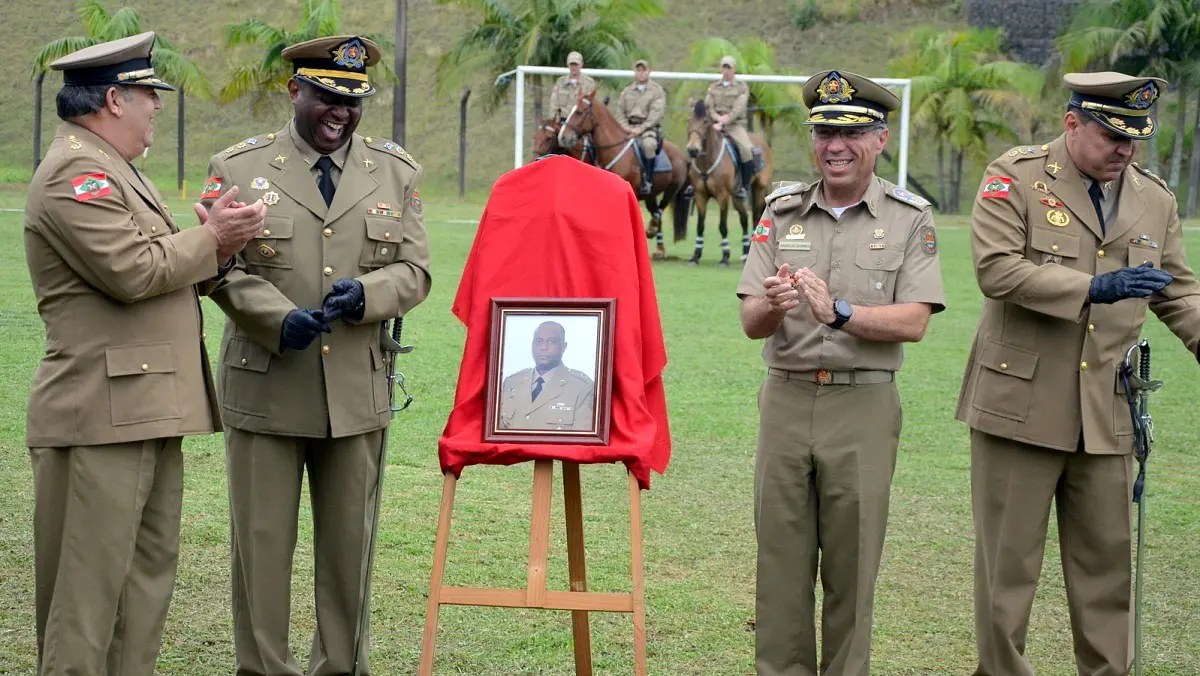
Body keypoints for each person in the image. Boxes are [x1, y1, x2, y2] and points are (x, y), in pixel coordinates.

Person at [23, 32, 265, 675]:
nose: (157, 106)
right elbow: (132, 271)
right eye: (147, 94)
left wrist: (216, 242)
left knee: (143, 585)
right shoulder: (78, 172)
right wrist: (210, 237)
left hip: (145, 405)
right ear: (112, 99)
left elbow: (166, 271)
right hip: (100, 415)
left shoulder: (114, 170)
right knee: (87, 598)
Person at [201, 35, 432, 675]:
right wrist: (277, 317)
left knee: (348, 552)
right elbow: (216, 266)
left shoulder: (394, 171)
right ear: (295, 90)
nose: (341, 113)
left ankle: (339, 668)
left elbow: (416, 270)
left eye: (353, 102)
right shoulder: (239, 167)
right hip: (268, 386)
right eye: (328, 97)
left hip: (357, 392)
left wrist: (370, 293)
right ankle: (264, 669)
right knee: (262, 549)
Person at [958, 72, 1200, 676]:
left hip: (1108, 409)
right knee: (1007, 574)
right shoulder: (1015, 176)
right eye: (1112, 136)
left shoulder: (1154, 198)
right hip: (1021, 405)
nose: (1126, 151)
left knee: (1106, 571)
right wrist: (1094, 287)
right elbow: (997, 270)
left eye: (1136, 139)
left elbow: (1178, 291)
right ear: (1072, 124)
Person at [736, 69, 946, 675]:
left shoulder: (909, 218)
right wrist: (771, 306)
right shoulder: (780, 212)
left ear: (880, 140)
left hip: (863, 407)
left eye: (851, 133)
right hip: (785, 398)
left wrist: (841, 312)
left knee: (853, 568)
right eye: (825, 130)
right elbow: (751, 320)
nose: (835, 144)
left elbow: (915, 320)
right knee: (780, 562)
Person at [499, 321, 595, 430]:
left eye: (551, 341)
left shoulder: (581, 388)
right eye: (539, 341)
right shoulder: (511, 383)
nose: (543, 347)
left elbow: (582, 441)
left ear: (564, 346)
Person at [705, 55, 759, 200]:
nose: (726, 70)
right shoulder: (713, 87)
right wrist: (717, 119)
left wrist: (725, 121)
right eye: (724, 67)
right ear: (721, 69)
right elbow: (709, 107)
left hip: (734, 125)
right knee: (697, 144)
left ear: (734, 69)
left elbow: (739, 108)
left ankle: (744, 185)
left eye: (729, 67)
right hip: (715, 125)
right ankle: (692, 182)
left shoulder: (741, 88)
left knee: (747, 150)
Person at [615, 59, 667, 196]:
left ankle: (647, 180)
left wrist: (641, 129)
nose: (641, 73)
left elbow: (656, 114)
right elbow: (619, 112)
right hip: (628, 128)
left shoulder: (656, 91)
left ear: (649, 71)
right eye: (638, 70)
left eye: (643, 70)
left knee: (649, 145)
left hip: (647, 129)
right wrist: (627, 128)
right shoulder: (626, 91)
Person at [548, 51, 597, 123]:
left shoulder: (589, 83)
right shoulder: (560, 82)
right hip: (563, 121)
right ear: (568, 65)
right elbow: (554, 105)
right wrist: (555, 122)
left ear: (581, 64)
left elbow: (593, 107)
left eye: (576, 65)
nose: (574, 67)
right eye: (571, 64)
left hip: (581, 124)